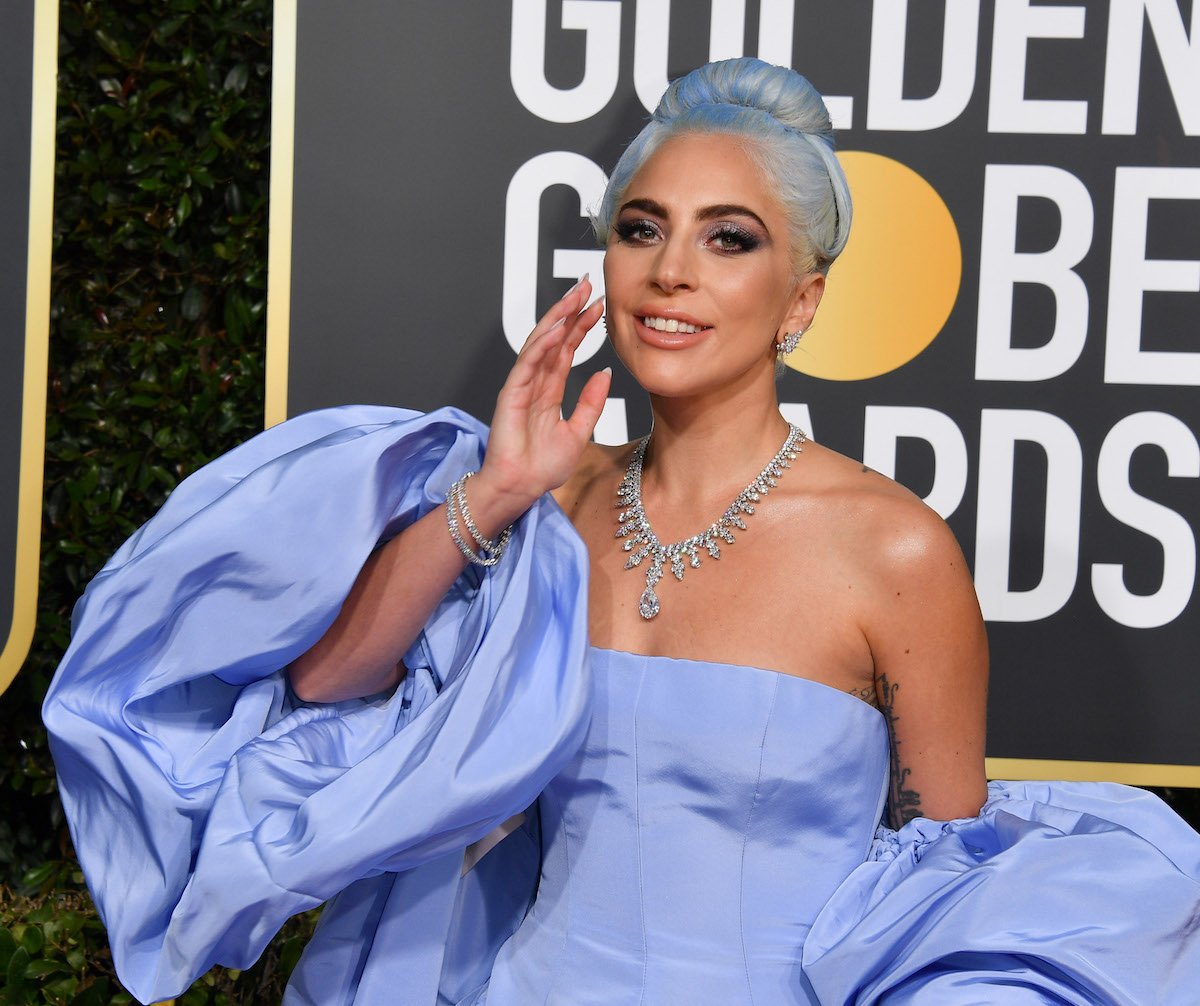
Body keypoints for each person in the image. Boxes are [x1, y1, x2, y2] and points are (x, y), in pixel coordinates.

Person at [44, 59, 1200, 1006]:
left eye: (729, 238)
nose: (672, 271)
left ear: (801, 299)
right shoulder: (548, 504)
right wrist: (493, 493)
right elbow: (326, 683)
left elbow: (947, 894)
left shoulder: (893, 552)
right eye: (643, 228)